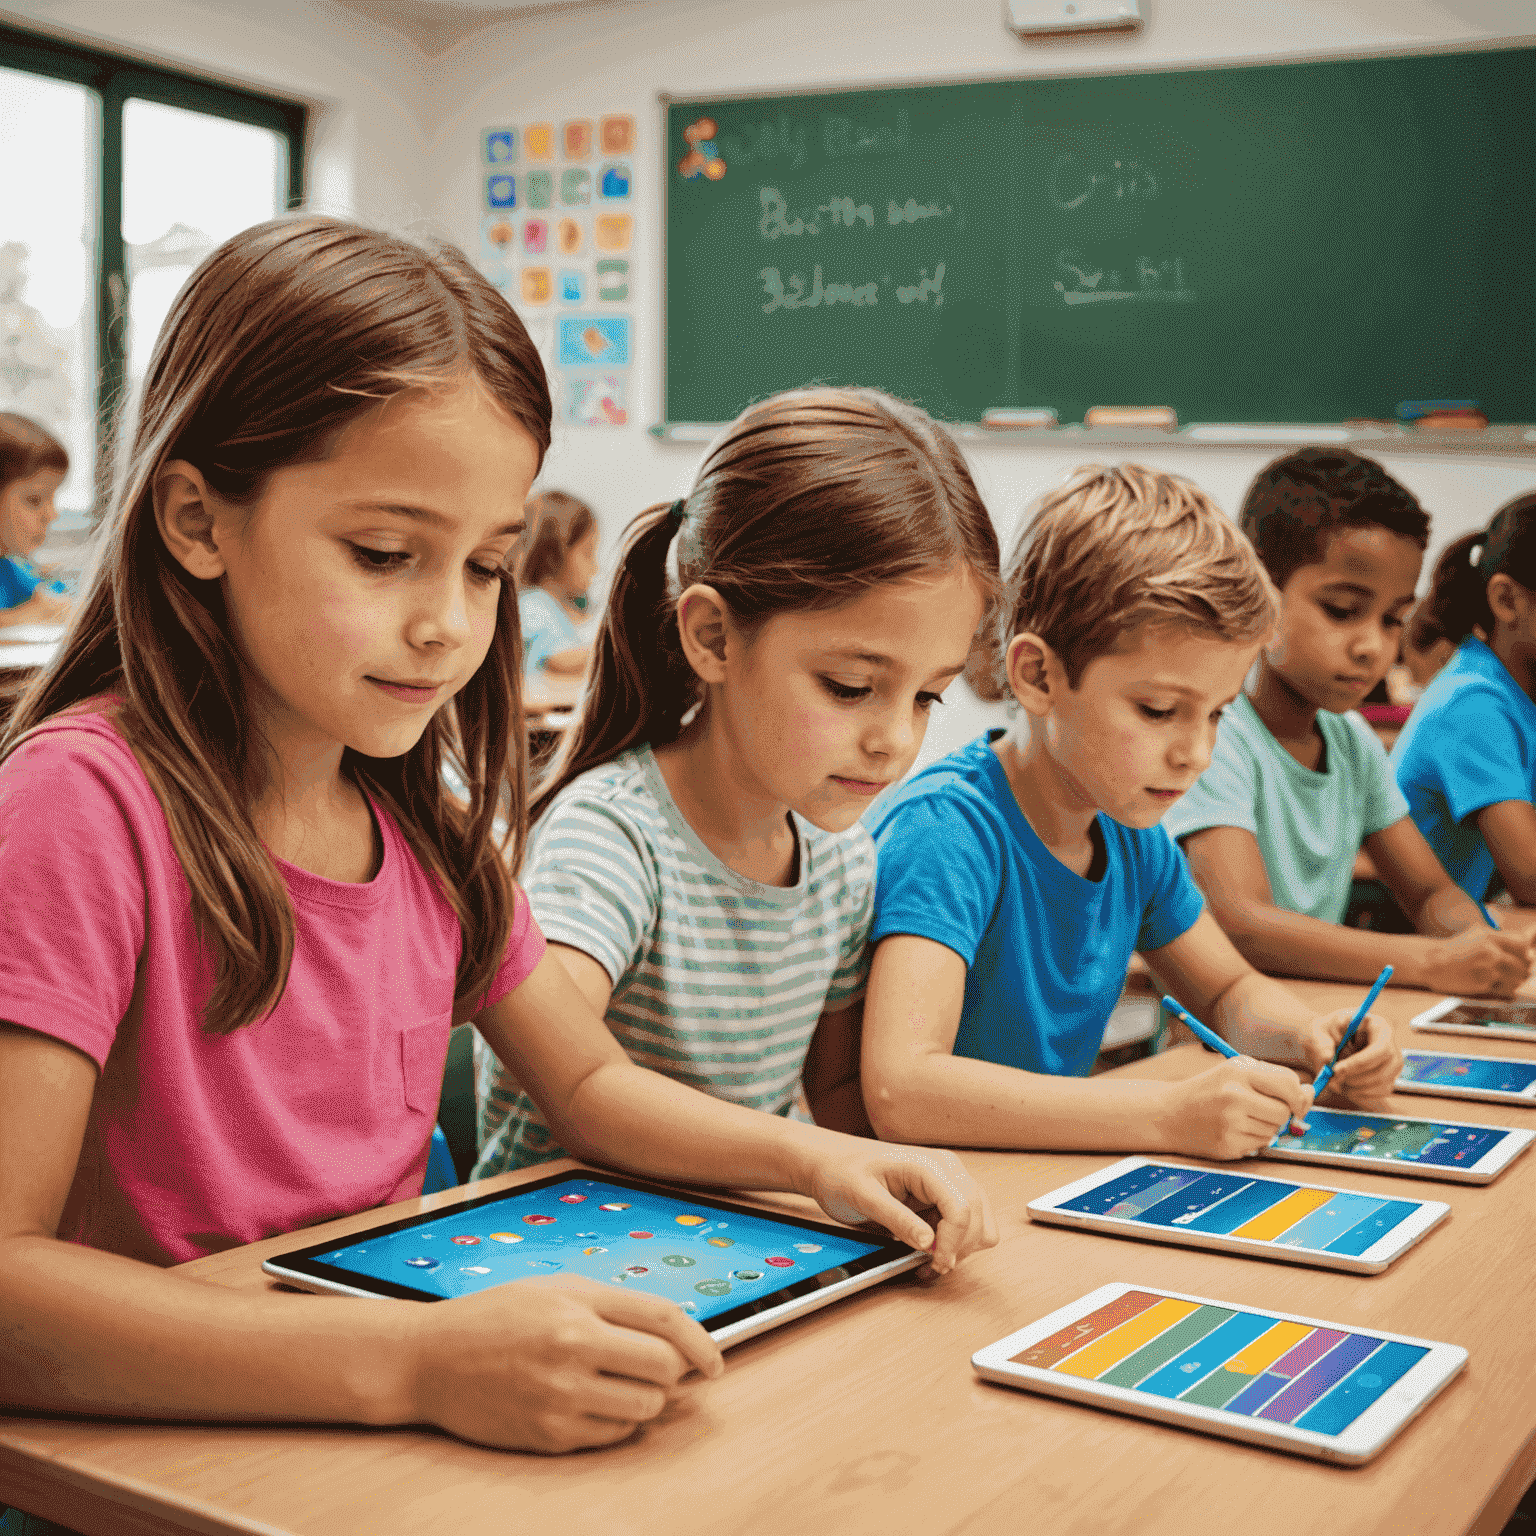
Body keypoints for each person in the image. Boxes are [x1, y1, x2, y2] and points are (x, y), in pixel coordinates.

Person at [0, 217, 994, 1480]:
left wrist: (824, 1158)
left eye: (483, 567)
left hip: (380, 1434)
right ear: (197, 520)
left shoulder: (431, 825)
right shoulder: (81, 807)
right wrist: (418, 1366)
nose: (445, 626)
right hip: (159, 1472)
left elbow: (588, 1087)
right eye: (382, 555)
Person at [474, 386, 1002, 1176]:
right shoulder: (613, 836)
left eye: (927, 695)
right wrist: (808, 1161)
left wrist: (909, 1188)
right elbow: (577, 1089)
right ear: (714, 637)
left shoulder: (842, 860)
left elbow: (839, 1093)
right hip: (554, 1258)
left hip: (742, 1250)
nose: (896, 740)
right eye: (851, 686)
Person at [860, 465, 1403, 1161]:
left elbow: (1228, 990)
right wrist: (1166, 1116)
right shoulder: (948, 832)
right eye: (1158, 711)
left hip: (1030, 1185)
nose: (1197, 753)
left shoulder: (1128, 832)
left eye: (1217, 714)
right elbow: (903, 1089)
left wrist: (1314, 1033)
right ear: (1037, 676)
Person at [1165, 448, 1527, 993]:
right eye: (1340, 609)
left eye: (1392, 620)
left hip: (1323, 1020)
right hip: (1222, 1045)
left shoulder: (1351, 741)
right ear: (1257, 588)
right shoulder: (1218, 733)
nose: (1372, 647)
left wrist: (1478, 942)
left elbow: (1430, 893)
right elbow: (1241, 922)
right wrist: (1432, 962)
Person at [1393, 492, 1536, 906]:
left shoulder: (1517, 696)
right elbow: (1530, 878)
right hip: (1409, 945)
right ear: (1507, 601)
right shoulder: (1473, 704)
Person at [519, 488, 598, 686]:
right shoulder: (533, 605)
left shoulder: (577, 605)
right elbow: (558, 660)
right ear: (554, 554)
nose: (595, 567)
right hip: (536, 709)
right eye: (588, 554)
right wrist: (614, 650)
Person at [0, 412, 71, 628]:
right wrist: (27, 616)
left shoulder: (11, 568)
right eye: (34, 500)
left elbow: (61, 602)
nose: (52, 515)